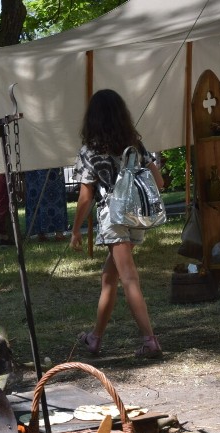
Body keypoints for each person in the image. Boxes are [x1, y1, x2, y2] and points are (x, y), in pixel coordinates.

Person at [70, 89, 163, 359]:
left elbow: (85, 198)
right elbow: (159, 182)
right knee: (109, 278)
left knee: (129, 278)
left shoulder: (89, 151)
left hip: (114, 217)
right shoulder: (133, 144)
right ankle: (95, 338)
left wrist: (76, 230)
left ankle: (149, 341)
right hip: (136, 216)